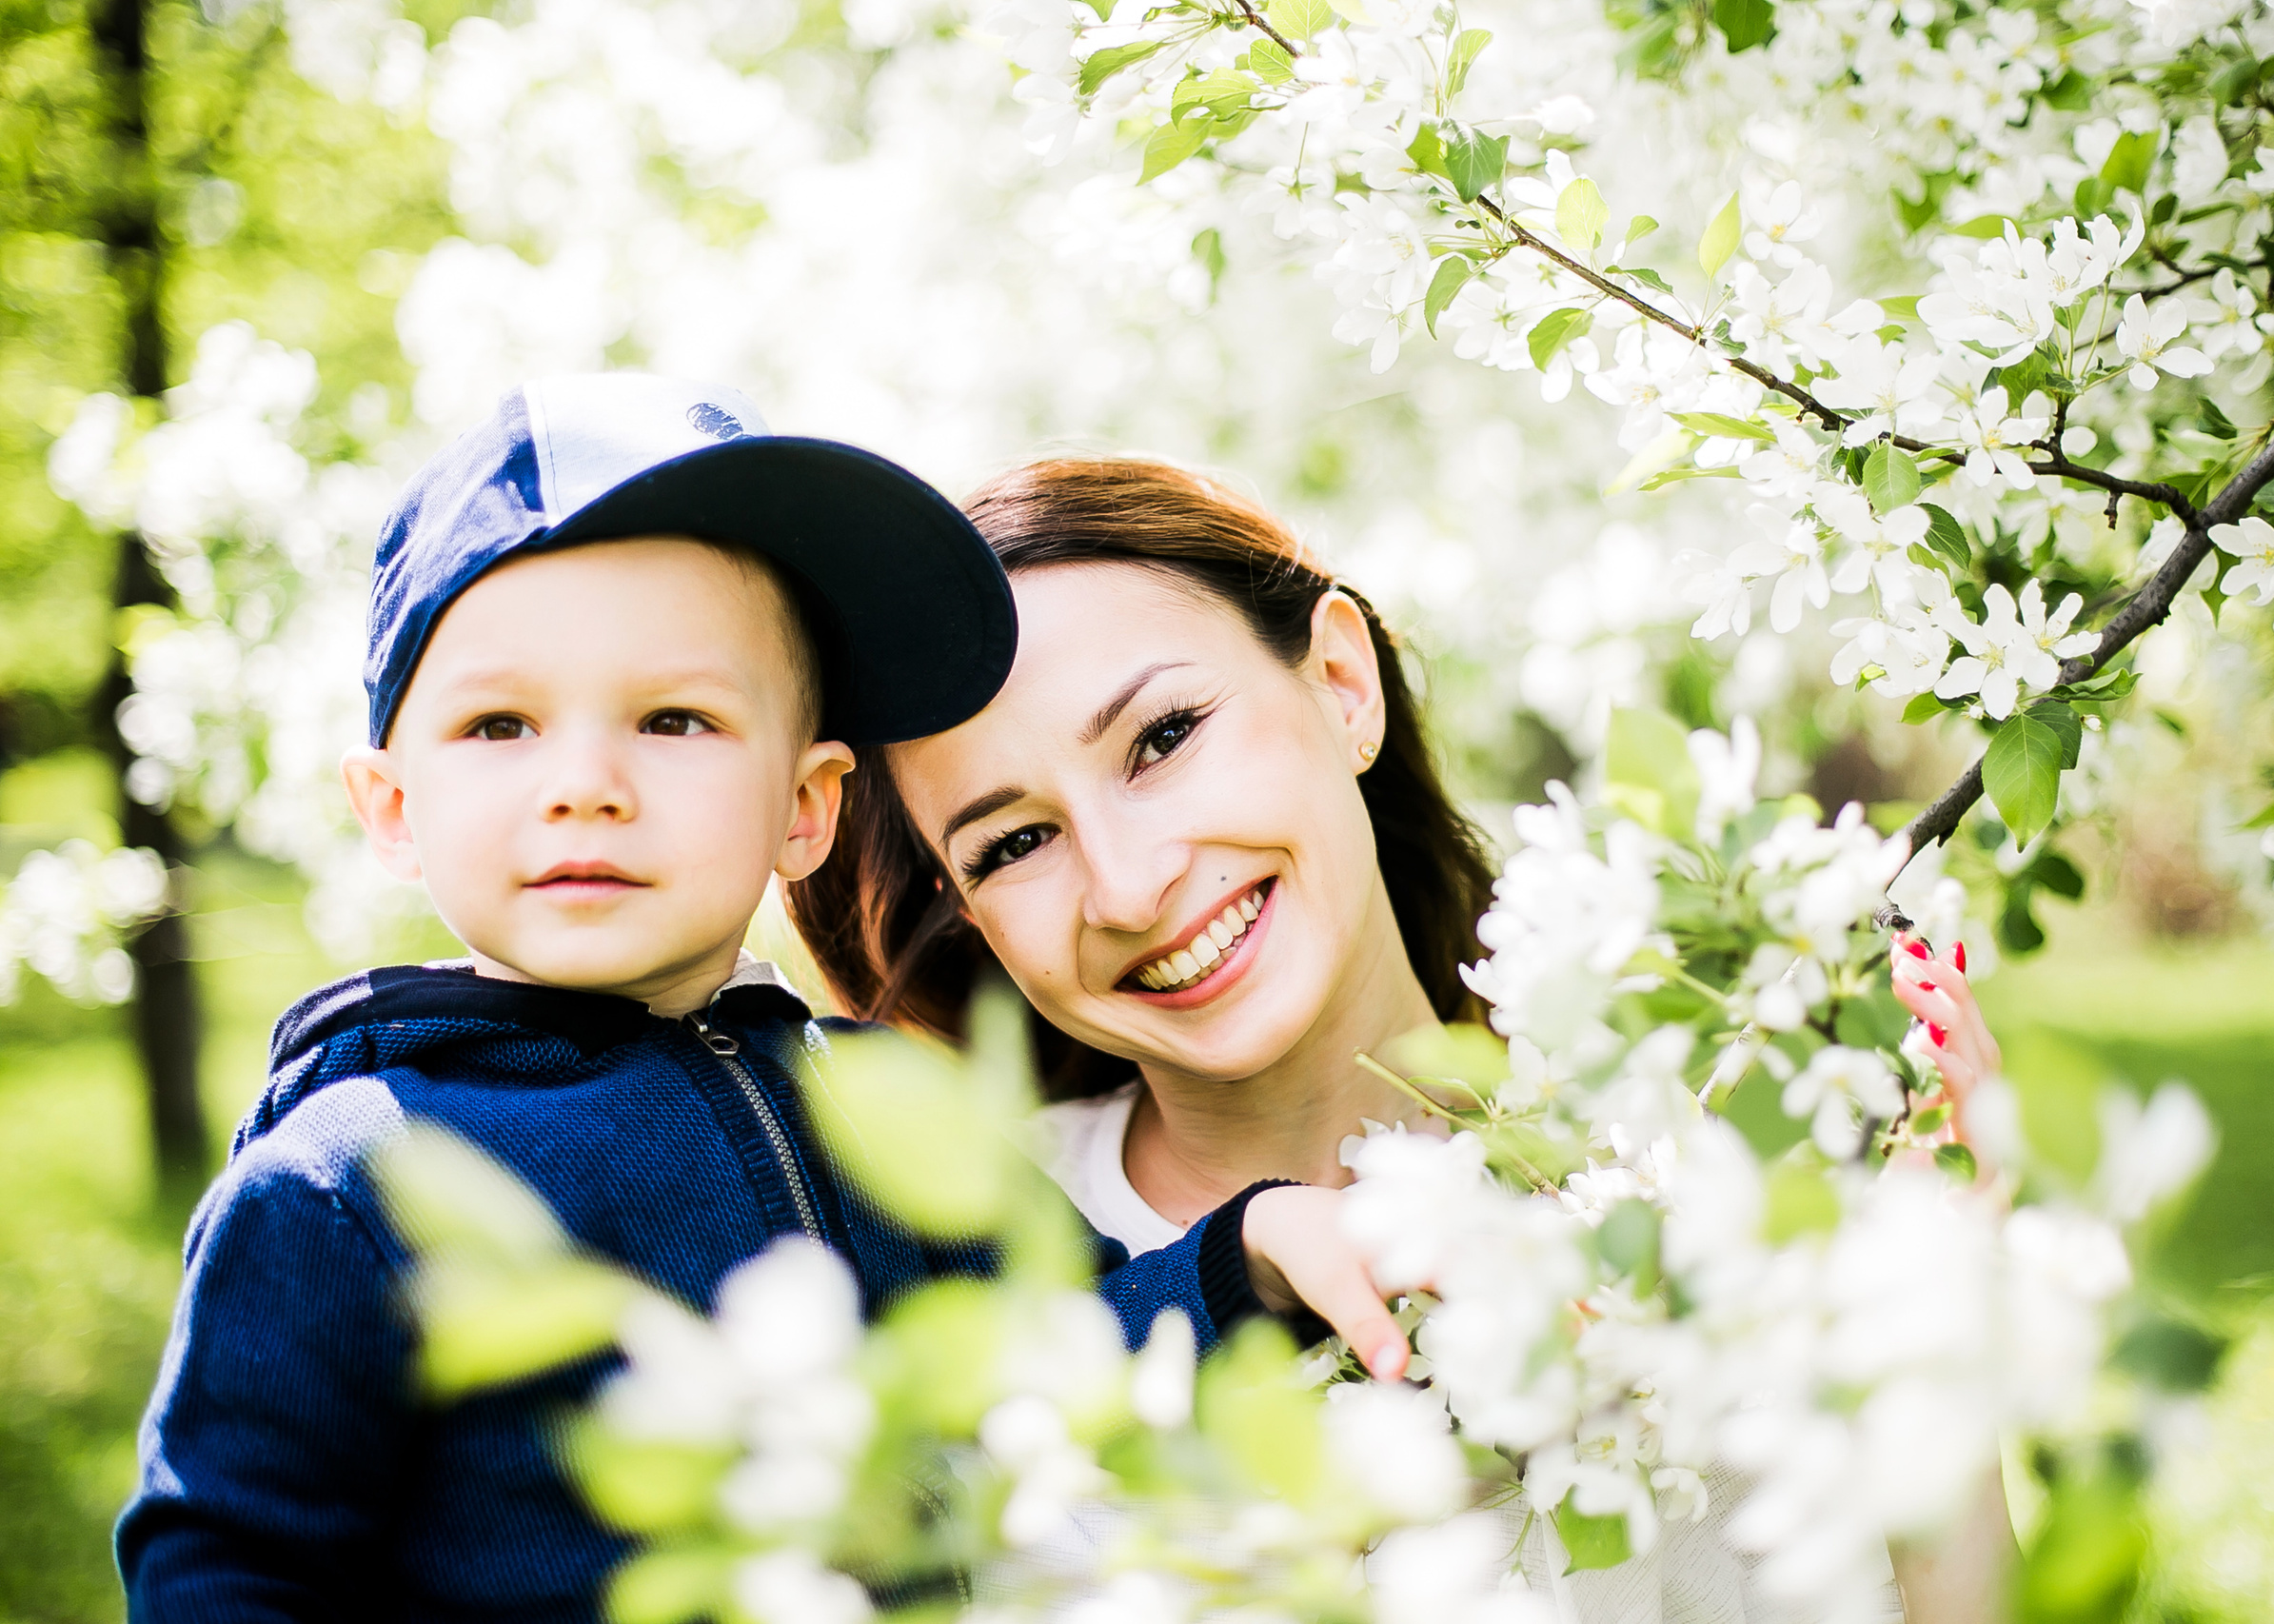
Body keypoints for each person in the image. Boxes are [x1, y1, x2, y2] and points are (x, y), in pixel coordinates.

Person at [115, 385, 1379, 1623]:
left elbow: (1065, 1351)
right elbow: (229, 1563)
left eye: (676, 717)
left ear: (805, 806)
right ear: (392, 806)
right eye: (501, 723)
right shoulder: (345, 1186)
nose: (587, 783)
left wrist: (1249, 1249)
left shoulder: (877, 1108)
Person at [793, 456, 2010, 1622]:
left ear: (1340, 682)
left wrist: (1928, 1327)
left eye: (1161, 738)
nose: (1124, 886)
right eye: (1012, 844)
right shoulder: (968, 1271)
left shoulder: (1703, 1147)